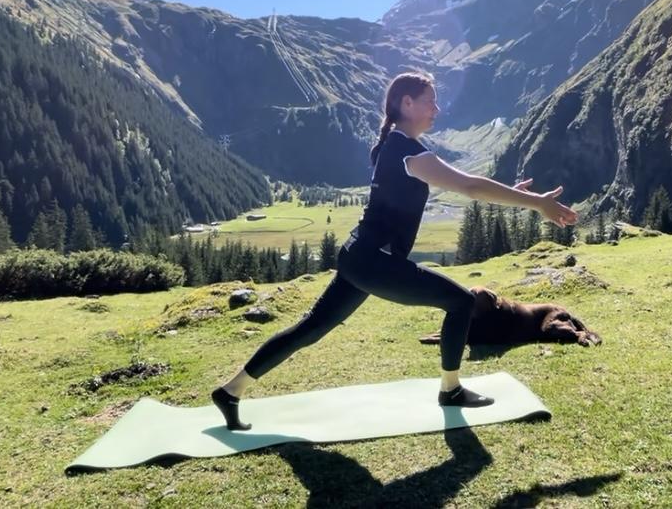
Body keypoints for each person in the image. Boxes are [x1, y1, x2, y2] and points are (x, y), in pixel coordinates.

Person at [211, 72, 578, 430]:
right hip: (373, 260)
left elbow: (459, 184)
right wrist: (534, 202)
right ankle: (450, 391)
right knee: (462, 302)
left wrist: (514, 192)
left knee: (311, 328)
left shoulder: (398, 147)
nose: (436, 109)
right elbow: (469, 186)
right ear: (407, 102)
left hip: (361, 256)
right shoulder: (406, 150)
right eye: (430, 102)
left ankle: (231, 391)